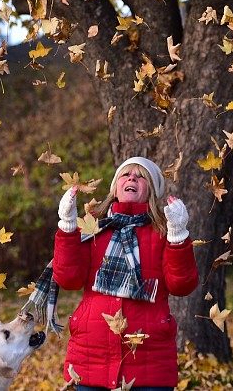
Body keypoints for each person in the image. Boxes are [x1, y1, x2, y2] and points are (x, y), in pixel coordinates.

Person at [53, 156, 198, 390]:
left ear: (151, 190)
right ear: (116, 187)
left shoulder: (163, 232)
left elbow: (182, 285)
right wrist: (68, 226)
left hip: (149, 360)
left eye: (141, 176)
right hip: (91, 357)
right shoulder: (94, 228)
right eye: (126, 174)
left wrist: (178, 236)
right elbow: (68, 279)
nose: (132, 177)